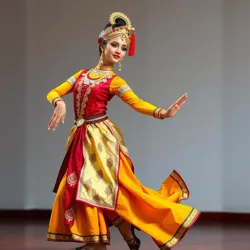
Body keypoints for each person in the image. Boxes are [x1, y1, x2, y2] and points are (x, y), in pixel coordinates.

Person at [46, 12, 200, 250]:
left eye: (124, 48)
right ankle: (121, 240)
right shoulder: (81, 75)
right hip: (81, 139)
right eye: (114, 44)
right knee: (85, 189)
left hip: (102, 142)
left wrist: (163, 112)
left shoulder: (114, 81)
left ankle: (99, 242)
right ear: (102, 44)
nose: (119, 50)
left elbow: (137, 103)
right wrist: (60, 102)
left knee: (111, 191)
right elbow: (53, 92)